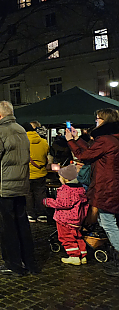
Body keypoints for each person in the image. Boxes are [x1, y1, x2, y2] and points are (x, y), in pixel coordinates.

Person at [0, 100, 39, 276]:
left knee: (8, 226)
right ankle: (29, 262)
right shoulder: (20, 130)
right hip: (21, 183)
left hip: (5, 185)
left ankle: (13, 264)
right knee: (22, 223)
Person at [65, 108, 119, 277]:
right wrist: (78, 139)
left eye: (97, 119)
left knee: (109, 223)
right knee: (108, 221)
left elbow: (85, 155)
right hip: (111, 185)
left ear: (104, 120)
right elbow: (92, 150)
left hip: (107, 186)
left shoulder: (105, 139)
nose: (95, 121)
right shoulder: (112, 138)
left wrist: (70, 141)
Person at [42, 164, 88, 266]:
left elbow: (62, 204)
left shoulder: (66, 189)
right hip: (77, 219)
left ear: (66, 179)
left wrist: (47, 201)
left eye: (60, 177)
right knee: (77, 236)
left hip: (65, 219)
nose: (59, 179)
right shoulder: (81, 189)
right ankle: (83, 255)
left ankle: (74, 256)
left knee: (66, 237)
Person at [22, 122, 49, 223]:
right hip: (41, 172)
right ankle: (42, 214)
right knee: (40, 193)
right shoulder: (44, 142)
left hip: (27, 173)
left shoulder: (22, 142)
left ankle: (30, 214)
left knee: (28, 194)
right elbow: (46, 154)